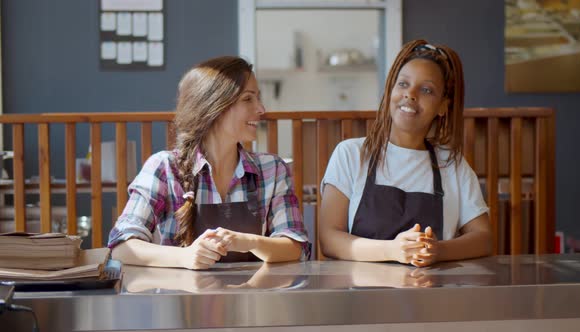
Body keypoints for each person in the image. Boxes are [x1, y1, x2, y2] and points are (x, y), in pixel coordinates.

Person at [108, 56, 310, 270]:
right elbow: (121, 247)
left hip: (252, 300)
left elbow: (296, 246)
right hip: (180, 301)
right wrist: (184, 257)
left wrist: (249, 242)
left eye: (258, 98)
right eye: (248, 99)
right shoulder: (164, 167)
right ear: (216, 105)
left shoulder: (273, 169)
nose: (261, 109)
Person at [319, 40, 491, 267]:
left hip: (433, 297)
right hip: (361, 297)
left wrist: (437, 251)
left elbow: (484, 238)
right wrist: (393, 250)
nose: (410, 95)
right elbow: (329, 239)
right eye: (403, 84)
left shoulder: (453, 165)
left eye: (426, 90)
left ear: (442, 106)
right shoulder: (350, 154)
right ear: (390, 91)